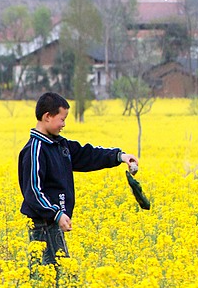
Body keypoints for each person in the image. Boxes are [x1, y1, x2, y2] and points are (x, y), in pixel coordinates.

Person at [18, 92, 139, 269]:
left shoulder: (59, 145)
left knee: (55, 273)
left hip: (52, 221)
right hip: (42, 223)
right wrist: (55, 213)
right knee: (54, 274)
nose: (64, 124)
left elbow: (87, 155)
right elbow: (33, 191)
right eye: (62, 119)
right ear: (47, 117)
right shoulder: (35, 150)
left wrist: (119, 156)